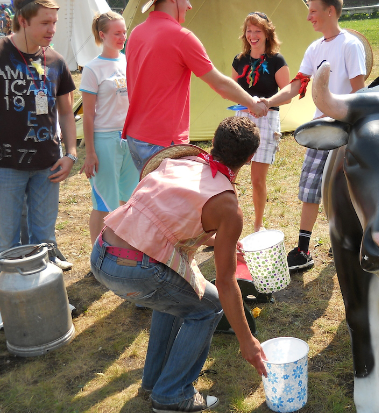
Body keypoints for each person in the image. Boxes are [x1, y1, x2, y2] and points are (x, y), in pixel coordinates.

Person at [90, 117, 267, 413]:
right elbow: (225, 282)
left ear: (214, 143)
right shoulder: (228, 207)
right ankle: (172, 394)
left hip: (101, 254)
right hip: (135, 270)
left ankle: (154, 382)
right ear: (250, 159)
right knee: (208, 307)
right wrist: (247, 341)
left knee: (176, 297)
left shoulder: (178, 163)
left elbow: (160, 219)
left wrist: (217, 241)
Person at [261, 0, 366, 271]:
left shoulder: (350, 45)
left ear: (330, 11)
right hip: (321, 129)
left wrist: (347, 121)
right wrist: (269, 101)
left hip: (346, 129)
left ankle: (354, 241)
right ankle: (302, 250)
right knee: (310, 187)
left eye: (313, 11)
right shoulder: (315, 48)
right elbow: (297, 85)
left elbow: (359, 91)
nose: (308, 17)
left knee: (350, 190)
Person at [123, 0, 268, 172]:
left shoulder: (136, 32)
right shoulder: (180, 36)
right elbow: (219, 84)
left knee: (150, 195)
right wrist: (252, 103)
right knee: (172, 198)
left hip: (135, 136)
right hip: (162, 141)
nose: (190, 5)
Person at [0, 0, 77, 254]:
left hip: (48, 166)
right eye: (45, 23)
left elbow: (66, 113)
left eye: (54, 22)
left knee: (44, 242)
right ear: (23, 20)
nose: (52, 29)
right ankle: (10, 293)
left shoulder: (55, 60)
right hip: (6, 166)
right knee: (5, 244)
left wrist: (71, 154)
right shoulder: (1, 52)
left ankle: (43, 292)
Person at [79, 12, 139, 245]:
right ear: (102, 35)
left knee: (127, 198)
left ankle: (120, 250)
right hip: (104, 140)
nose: (122, 37)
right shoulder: (92, 69)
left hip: (129, 139)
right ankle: (98, 256)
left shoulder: (128, 61)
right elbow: (88, 116)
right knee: (104, 202)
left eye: (124, 32)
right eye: (117, 33)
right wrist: (90, 152)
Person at [231, 11, 290, 232]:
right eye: (249, 31)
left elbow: (288, 93)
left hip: (267, 119)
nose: (253, 36)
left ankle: (257, 225)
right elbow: (231, 90)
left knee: (257, 179)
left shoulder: (277, 60)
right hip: (242, 119)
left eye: (258, 31)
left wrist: (266, 103)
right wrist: (246, 103)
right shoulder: (240, 60)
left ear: (267, 34)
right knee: (230, 174)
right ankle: (229, 222)